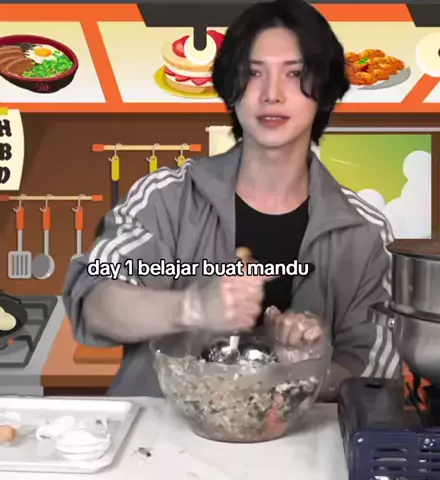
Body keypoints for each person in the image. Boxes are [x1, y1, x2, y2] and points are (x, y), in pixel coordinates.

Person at [63, 0, 400, 399]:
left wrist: (310, 370)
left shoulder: (366, 233)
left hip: (303, 440)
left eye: (295, 74)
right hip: (160, 435)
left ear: (324, 92)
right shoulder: (166, 198)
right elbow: (94, 302)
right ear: (231, 89)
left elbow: (374, 381)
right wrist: (193, 307)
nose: (271, 94)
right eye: (253, 73)